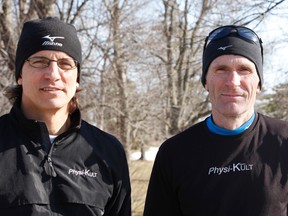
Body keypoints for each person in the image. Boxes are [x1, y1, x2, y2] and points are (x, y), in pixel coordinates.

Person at [144, 25, 288, 216]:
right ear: (205, 81)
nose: (233, 81)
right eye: (221, 69)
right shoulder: (174, 153)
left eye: (244, 70)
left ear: (259, 83)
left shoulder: (284, 141)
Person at [0, 17, 131, 216]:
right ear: (19, 75)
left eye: (65, 64)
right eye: (39, 61)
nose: (53, 74)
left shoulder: (107, 151)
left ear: (77, 79)